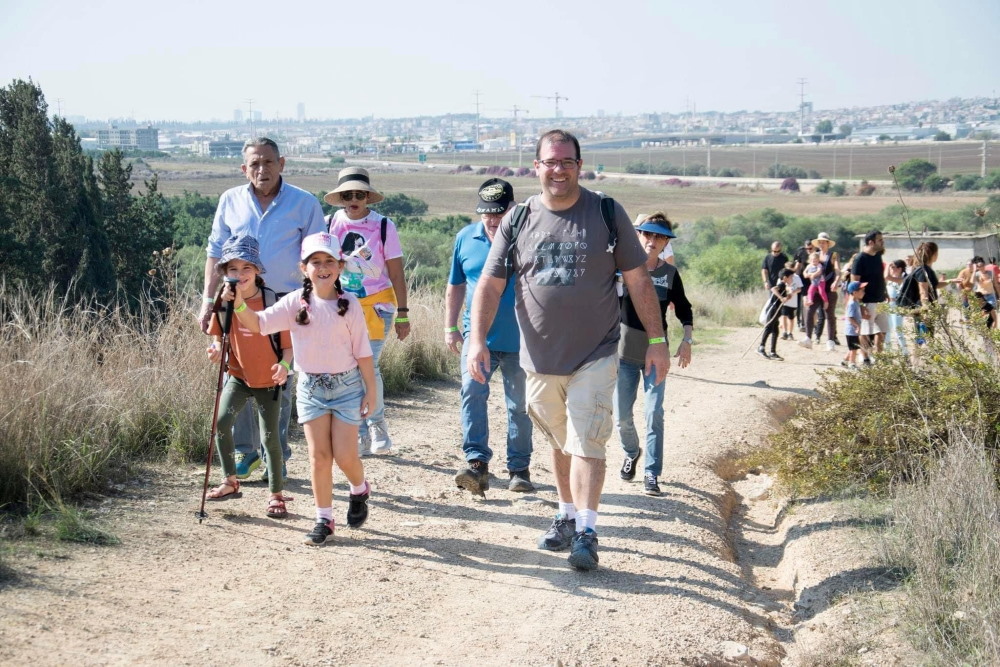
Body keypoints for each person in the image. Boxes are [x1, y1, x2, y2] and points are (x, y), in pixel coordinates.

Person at [467, 129, 670, 571]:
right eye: (550, 162)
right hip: (538, 357)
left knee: (587, 440)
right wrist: (476, 339)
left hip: (596, 351)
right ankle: (566, 514)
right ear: (536, 166)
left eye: (567, 162)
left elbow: (637, 279)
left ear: (580, 165)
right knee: (561, 441)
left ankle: (587, 531)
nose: (558, 169)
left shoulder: (605, 211)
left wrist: (657, 340)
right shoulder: (518, 219)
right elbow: (490, 282)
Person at [229, 232, 377, 546]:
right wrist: (240, 302)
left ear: (339, 265)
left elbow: (364, 353)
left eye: (328, 261)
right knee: (319, 457)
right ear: (304, 267)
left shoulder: (348, 304)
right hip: (310, 388)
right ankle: (324, 518)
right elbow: (258, 324)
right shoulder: (294, 302)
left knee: (346, 456)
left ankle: (359, 489)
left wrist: (371, 391)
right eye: (315, 262)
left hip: (347, 387)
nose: (322, 267)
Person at [200, 137, 326, 480]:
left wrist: (316, 303)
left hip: (284, 303)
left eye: (268, 162)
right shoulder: (230, 200)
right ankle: (246, 453)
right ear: (244, 169)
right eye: (254, 164)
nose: (261, 169)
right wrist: (207, 302)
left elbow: (317, 257)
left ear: (281, 163)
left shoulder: (304, 203)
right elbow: (215, 253)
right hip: (236, 302)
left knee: (278, 381)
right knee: (236, 372)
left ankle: (277, 457)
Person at [445, 179, 534, 495]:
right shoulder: (465, 238)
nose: (493, 221)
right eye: (486, 214)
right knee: (472, 393)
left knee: (519, 405)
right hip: (478, 336)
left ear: (513, 208)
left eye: (499, 213)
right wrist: (450, 326)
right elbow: (456, 285)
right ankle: (476, 464)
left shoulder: (529, 239)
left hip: (523, 339)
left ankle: (519, 468)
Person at [205, 235, 293, 517]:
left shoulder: (272, 301)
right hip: (239, 375)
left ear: (257, 270)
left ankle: (276, 494)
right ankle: (230, 481)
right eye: (233, 269)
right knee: (221, 422)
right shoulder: (224, 300)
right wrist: (216, 349)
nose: (240, 275)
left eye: (246, 268)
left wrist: (285, 366)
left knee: (270, 438)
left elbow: (288, 346)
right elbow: (218, 335)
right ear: (225, 273)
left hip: (270, 379)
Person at [326, 167, 410, 456]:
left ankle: (377, 426)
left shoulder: (384, 226)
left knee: (367, 366)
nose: (353, 199)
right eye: (347, 194)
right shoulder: (329, 224)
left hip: (377, 306)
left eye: (359, 194)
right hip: (341, 307)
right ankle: (359, 433)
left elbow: (397, 273)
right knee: (349, 369)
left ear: (368, 197)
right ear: (339, 198)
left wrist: (403, 313)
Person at [615, 213, 693, 496]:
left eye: (659, 237)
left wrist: (687, 339)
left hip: (656, 356)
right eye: (647, 234)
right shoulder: (621, 269)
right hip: (623, 354)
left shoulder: (669, 274)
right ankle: (631, 451)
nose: (652, 241)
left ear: (665, 244)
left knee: (654, 413)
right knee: (622, 416)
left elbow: (684, 308)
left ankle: (651, 472)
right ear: (638, 236)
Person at [799, 232, 840, 351]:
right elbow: (808, 270)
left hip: (828, 289)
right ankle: (808, 338)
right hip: (815, 288)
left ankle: (830, 341)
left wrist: (836, 281)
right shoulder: (814, 255)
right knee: (810, 311)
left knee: (829, 315)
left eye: (823, 242)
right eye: (820, 242)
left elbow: (837, 270)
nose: (821, 244)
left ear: (828, 243)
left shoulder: (833, 255)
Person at [851, 230, 888, 356]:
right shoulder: (860, 259)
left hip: (880, 299)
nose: (883, 242)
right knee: (865, 332)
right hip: (867, 301)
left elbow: (880, 276)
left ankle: (879, 359)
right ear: (871, 242)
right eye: (880, 240)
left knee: (882, 332)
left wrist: (885, 291)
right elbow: (854, 282)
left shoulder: (877, 255)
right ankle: (866, 358)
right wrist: (860, 305)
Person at [758, 269, 795, 361]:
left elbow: (784, 299)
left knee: (775, 331)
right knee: (769, 328)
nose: (792, 279)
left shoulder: (785, 286)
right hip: (773, 310)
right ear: (785, 278)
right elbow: (773, 289)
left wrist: (788, 297)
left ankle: (772, 352)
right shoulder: (782, 284)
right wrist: (781, 297)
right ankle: (761, 347)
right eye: (791, 277)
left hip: (777, 311)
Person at [884, 259, 909, 355]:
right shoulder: (892, 279)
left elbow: (886, 276)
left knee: (898, 330)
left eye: (893, 267)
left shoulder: (902, 279)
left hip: (896, 306)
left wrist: (887, 265)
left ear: (900, 269)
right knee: (887, 330)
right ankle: (888, 351)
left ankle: (904, 352)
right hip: (888, 305)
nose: (891, 269)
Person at [841, 281, 866, 369]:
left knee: (853, 347)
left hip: (853, 331)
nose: (864, 292)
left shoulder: (855, 302)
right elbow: (850, 317)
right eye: (862, 290)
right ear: (855, 292)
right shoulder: (852, 303)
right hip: (851, 330)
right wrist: (857, 326)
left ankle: (845, 360)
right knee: (854, 349)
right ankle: (852, 363)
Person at [791, 239, 814, 331]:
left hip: (814, 280)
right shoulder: (801, 252)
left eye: (810, 248)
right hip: (803, 279)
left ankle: (812, 323)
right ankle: (801, 322)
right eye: (806, 248)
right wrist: (793, 279)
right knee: (801, 302)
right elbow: (797, 266)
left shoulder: (818, 253)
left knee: (812, 302)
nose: (808, 249)